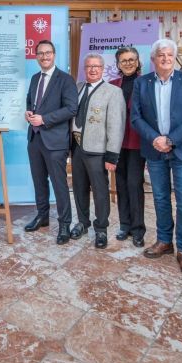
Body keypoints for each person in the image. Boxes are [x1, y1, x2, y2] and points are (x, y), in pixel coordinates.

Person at [131, 38, 182, 275]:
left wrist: (170, 140)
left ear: (174, 58)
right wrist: (155, 138)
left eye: (169, 55)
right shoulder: (142, 83)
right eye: (161, 55)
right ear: (153, 59)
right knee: (160, 198)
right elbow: (136, 117)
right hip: (154, 150)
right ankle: (164, 241)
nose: (165, 59)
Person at [24, 40, 78, 245]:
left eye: (48, 53)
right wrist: (28, 112)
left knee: (59, 184)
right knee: (39, 181)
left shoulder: (65, 79)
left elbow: (71, 109)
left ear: (54, 55)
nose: (44, 56)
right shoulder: (34, 78)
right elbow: (31, 101)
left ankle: (64, 224)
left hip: (55, 142)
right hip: (35, 139)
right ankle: (42, 216)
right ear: (36, 56)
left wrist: (44, 119)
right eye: (40, 53)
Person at [70, 53, 126, 248]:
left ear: (102, 69)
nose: (92, 69)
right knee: (79, 187)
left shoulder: (113, 92)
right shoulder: (77, 88)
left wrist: (112, 155)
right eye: (89, 66)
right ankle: (82, 223)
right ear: (84, 69)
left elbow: (116, 126)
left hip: (98, 151)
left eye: (96, 66)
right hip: (76, 146)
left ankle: (101, 228)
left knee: (100, 191)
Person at [110, 46, 147, 247]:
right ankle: (125, 225)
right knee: (121, 183)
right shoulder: (112, 85)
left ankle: (138, 228)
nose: (128, 63)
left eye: (132, 59)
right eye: (124, 60)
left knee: (134, 184)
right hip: (116, 143)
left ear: (138, 61)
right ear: (118, 64)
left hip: (137, 142)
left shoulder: (146, 83)